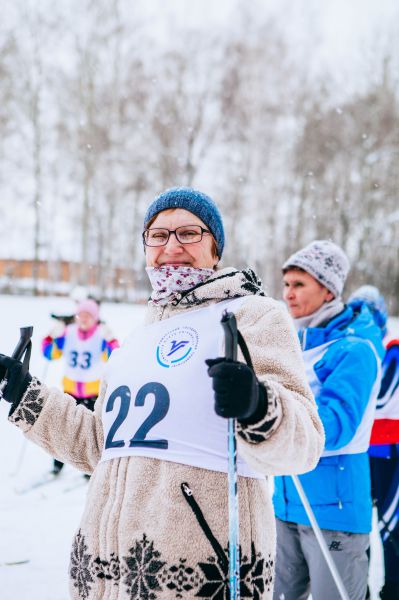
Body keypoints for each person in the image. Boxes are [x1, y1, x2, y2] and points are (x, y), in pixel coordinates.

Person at [0, 187, 324, 599]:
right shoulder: (138, 339)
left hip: (198, 582)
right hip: (105, 581)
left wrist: (259, 406)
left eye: (189, 233)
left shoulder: (253, 316)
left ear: (215, 248)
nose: (171, 245)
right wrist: (24, 394)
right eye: (158, 234)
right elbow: (98, 446)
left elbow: (305, 445)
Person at [273, 240, 385, 600]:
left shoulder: (355, 348)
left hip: (334, 510)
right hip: (286, 499)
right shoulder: (293, 341)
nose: (289, 294)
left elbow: (333, 428)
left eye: (299, 284)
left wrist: (266, 411)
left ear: (328, 289)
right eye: (286, 284)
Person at [348, 286, 399, 600]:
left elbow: (380, 398)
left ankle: (393, 588)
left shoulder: (391, 348)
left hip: (390, 452)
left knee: (391, 525)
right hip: (359, 451)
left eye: (369, 311)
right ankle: (358, 590)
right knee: (354, 527)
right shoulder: (353, 348)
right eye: (357, 311)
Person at [42, 298, 119, 475]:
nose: (83, 319)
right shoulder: (68, 333)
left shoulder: (101, 335)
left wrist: (111, 340)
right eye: (80, 315)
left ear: (95, 318)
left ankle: (89, 468)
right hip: (70, 391)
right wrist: (50, 337)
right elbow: (49, 354)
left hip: (92, 393)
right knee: (62, 428)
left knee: (90, 433)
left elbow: (114, 357)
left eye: (88, 316)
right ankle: (58, 463)